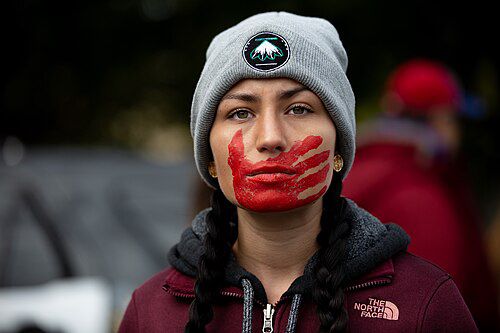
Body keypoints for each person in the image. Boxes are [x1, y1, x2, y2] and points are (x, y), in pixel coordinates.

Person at [118, 12, 477, 332]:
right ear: (209, 158)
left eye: (299, 109)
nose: (271, 137)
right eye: (240, 113)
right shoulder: (150, 312)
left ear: (339, 147)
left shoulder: (424, 304)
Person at [343, 59, 498, 331]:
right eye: (455, 119)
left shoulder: (353, 172)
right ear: (441, 120)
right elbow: (439, 306)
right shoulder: (424, 195)